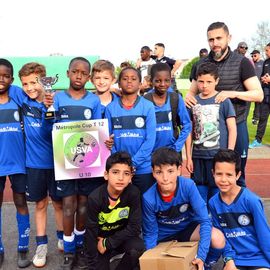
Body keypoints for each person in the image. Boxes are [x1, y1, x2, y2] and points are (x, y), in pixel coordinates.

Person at [185, 21, 263, 188]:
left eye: (219, 38)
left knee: (236, 173)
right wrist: (188, 98)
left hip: (236, 123)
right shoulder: (200, 64)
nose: (215, 43)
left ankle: (237, 211)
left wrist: (232, 93)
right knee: (206, 178)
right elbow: (191, 93)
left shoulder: (242, 62)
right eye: (211, 40)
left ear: (229, 38)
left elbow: (259, 94)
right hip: (207, 128)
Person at [44, 57, 102, 270]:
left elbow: (97, 129)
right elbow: (49, 127)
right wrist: (47, 112)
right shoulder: (57, 99)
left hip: (88, 160)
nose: (79, 76)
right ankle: (69, 250)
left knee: (84, 205)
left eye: (83, 73)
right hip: (65, 161)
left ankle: (80, 247)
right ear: (68, 73)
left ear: (88, 77)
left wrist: (105, 140)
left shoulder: (93, 101)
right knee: (69, 205)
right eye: (75, 71)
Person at [8, 62, 64, 268]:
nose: (30, 87)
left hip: (58, 163)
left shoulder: (56, 99)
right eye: (25, 83)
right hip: (34, 164)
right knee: (40, 204)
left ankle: (61, 236)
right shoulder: (21, 97)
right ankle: (41, 245)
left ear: (44, 80)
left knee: (59, 203)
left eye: (34, 82)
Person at [142, 147, 225, 270]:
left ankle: (206, 265)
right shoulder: (148, 198)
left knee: (217, 238)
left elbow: (204, 220)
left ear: (179, 170)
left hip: (187, 230)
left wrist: (201, 256)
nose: (165, 178)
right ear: (153, 172)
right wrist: (152, 258)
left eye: (170, 171)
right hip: (163, 236)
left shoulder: (188, 186)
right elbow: (150, 233)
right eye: (159, 172)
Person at [209, 149, 270, 269]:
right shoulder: (213, 203)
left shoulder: (251, 201)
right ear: (213, 173)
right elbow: (222, 237)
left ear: (238, 175)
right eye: (219, 174)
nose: (223, 180)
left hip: (258, 259)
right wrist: (229, 259)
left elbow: (264, 236)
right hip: (235, 260)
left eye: (229, 175)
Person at [185, 62, 237, 203]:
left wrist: (230, 153)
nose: (205, 85)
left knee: (217, 194)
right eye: (201, 82)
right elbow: (188, 131)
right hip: (198, 157)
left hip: (218, 157)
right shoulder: (193, 102)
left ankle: (216, 222)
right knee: (199, 195)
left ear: (216, 81)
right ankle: (202, 223)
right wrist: (189, 157)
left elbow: (232, 128)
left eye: (209, 82)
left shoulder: (223, 100)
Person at [85, 151, 145, 270]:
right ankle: (109, 258)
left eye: (126, 173)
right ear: (106, 175)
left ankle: (119, 262)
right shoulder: (95, 198)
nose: (121, 178)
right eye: (115, 172)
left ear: (130, 177)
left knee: (138, 248)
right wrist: (92, 263)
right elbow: (90, 233)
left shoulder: (134, 193)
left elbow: (135, 227)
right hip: (100, 241)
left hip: (120, 239)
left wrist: (108, 243)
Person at [105, 67, 156, 194]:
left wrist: (132, 163)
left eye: (133, 79)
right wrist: (121, 164)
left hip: (143, 168)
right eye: (125, 78)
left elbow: (150, 140)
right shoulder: (110, 109)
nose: (129, 81)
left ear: (140, 84)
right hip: (119, 168)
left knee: (144, 204)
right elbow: (108, 139)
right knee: (122, 207)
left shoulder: (148, 106)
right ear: (119, 83)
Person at [0, 58, 31, 268]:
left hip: (19, 162)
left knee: (20, 203)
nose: (1, 79)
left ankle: (23, 248)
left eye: (6, 76)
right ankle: (0, 249)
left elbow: (35, 101)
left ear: (11, 78)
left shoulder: (17, 94)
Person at [144, 62, 191, 155]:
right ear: (151, 81)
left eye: (167, 80)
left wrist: (176, 147)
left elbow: (187, 125)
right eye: (158, 81)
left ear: (171, 80)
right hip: (151, 154)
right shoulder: (145, 100)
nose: (162, 84)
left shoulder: (175, 98)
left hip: (173, 151)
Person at [249, 43, 270, 149]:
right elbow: (262, 76)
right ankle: (258, 140)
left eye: (267, 50)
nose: (265, 53)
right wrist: (263, 78)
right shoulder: (266, 62)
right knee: (262, 118)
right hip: (266, 95)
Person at [250, 49, 264, 125]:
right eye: (252, 56)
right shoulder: (251, 63)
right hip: (251, 86)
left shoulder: (263, 63)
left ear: (259, 55)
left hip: (261, 86)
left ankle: (256, 119)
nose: (253, 57)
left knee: (259, 103)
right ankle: (253, 118)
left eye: (254, 55)